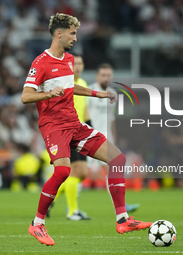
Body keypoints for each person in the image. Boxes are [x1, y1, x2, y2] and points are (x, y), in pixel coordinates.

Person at [21, 13, 152, 246]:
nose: (75, 37)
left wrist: (97, 93)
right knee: (63, 172)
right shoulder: (40, 63)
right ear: (59, 34)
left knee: (118, 158)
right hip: (53, 126)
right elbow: (25, 96)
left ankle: (122, 219)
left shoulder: (69, 60)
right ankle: (37, 224)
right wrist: (48, 93)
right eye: (72, 33)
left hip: (74, 124)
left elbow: (71, 88)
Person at [88, 63, 140, 212]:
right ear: (97, 76)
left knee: (113, 168)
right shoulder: (89, 92)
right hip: (90, 137)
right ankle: (57, 200)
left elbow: (111, 118)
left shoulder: (112, 93)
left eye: (109, 75)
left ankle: (121, 206)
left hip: (106, 139)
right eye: (103, 75)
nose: (106, 78)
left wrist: (113, 138)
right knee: (78, 172)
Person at [51, 53, 91, 221]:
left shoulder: (82, 84)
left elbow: (85, 110)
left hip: (81, 131)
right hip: (68, 132)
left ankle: (49, 198)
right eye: (75, 63)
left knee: (80, 173)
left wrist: (91, 129)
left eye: (81, 63)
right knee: (76, 171)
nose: (78, 67)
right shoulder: (64, 84)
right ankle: (72, 211)